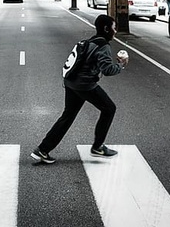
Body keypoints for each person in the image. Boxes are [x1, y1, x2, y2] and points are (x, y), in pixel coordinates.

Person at [31, 14, 126, 165]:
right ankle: (97, 147)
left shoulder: (89, 42)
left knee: (67, 116)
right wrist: (121, 64)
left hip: (70, 82)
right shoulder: (104, 46)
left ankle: (42, 149)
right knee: (109, 108)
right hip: (85, 85)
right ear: (107, 29)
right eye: (114, 28)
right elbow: (107, 70)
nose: (115, 32)